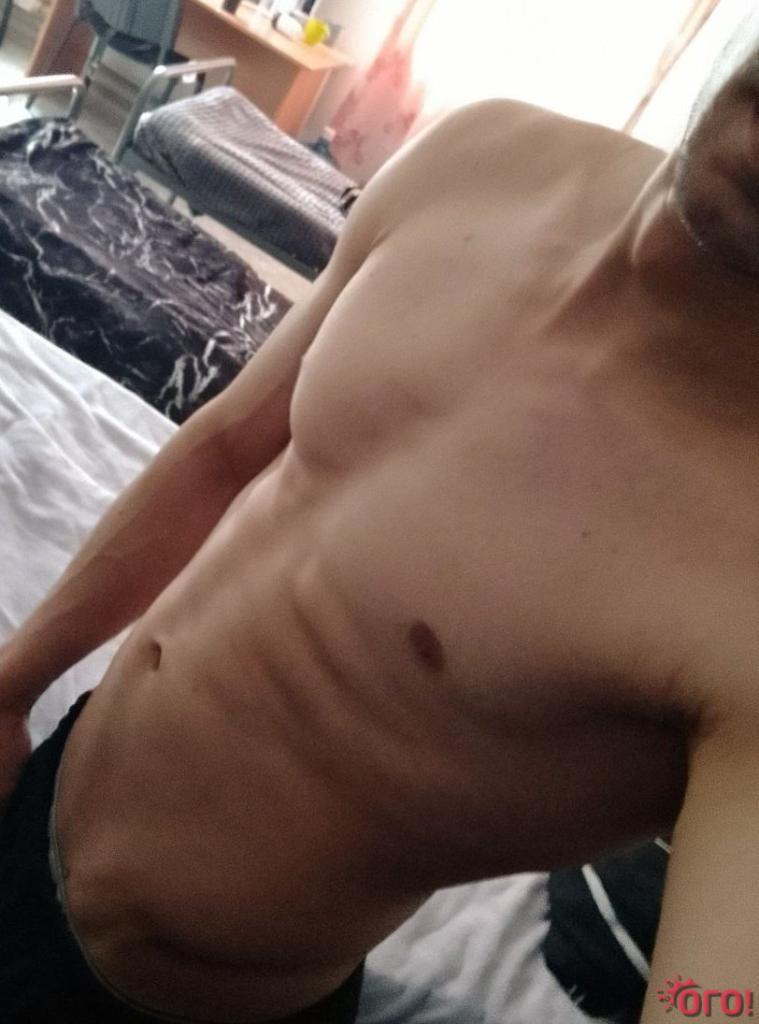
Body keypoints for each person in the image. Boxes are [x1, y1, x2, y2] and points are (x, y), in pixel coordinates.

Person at [2, 14, 759, 1022]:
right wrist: (12, 686)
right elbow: (224, 449)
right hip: (49, 781)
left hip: (172, 1000)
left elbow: (722, 993)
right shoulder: (485, 153)